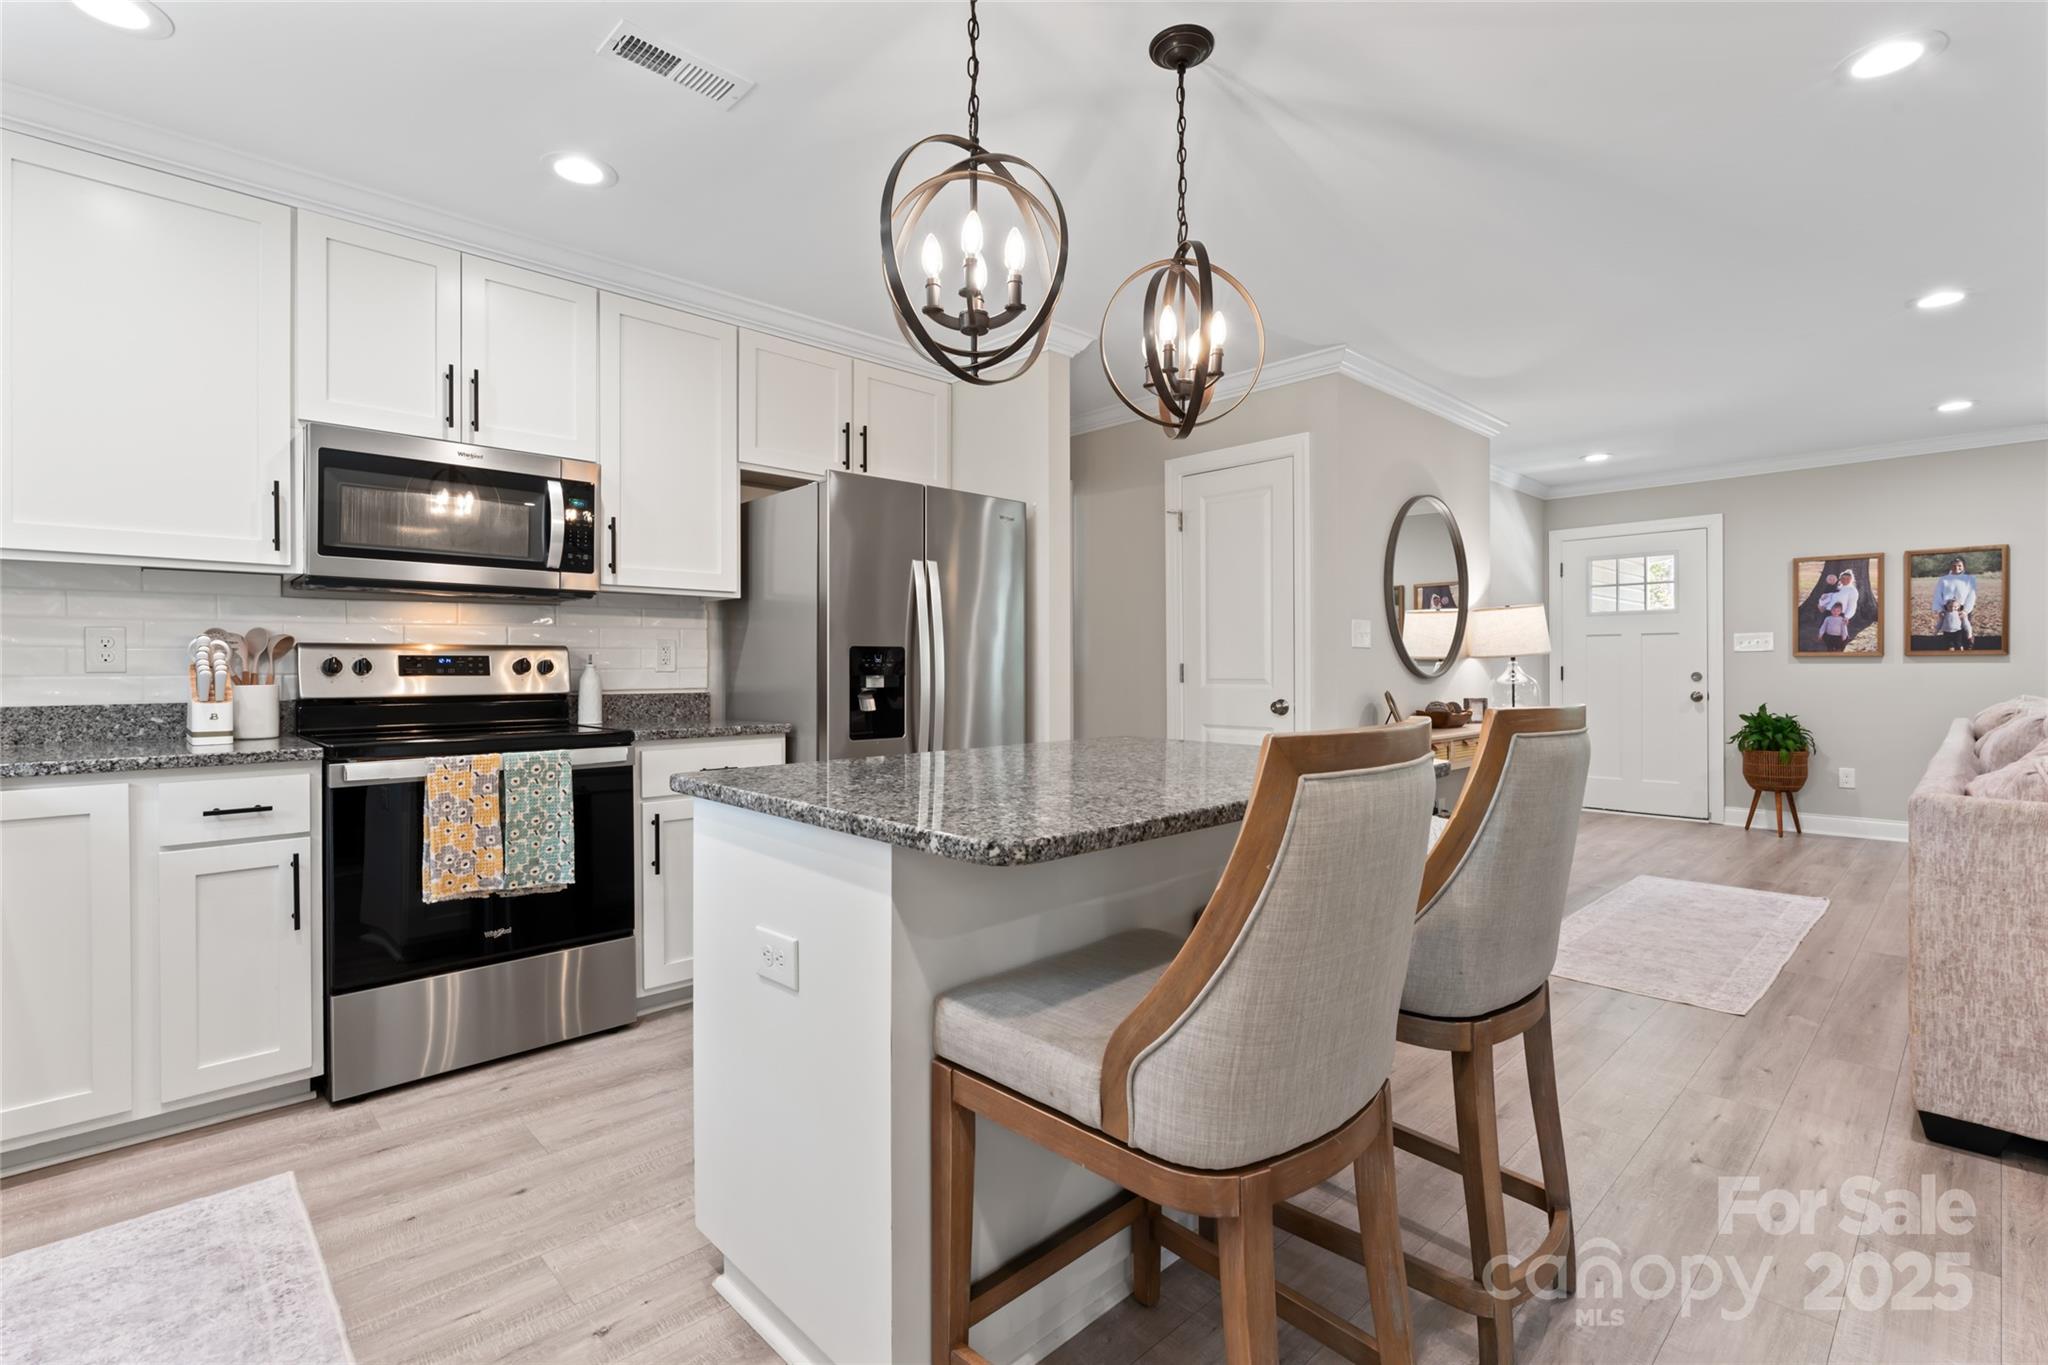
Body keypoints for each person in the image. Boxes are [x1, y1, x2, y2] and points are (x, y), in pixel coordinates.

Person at [1933, 555, 1977, 651]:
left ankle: (1967, 646)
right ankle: (1950, 646)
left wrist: (1966, 611)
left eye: (1959, 566)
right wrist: (1940, 609)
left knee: (1964, 629)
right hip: (1947, 608)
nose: (1956, 568)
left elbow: (1972, 595)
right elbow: (1938, 594)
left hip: (1962, 608)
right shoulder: (1943, 579)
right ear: (1950, 566)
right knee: (1949, 630)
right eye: (1954, 566)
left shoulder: (1970, 578)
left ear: (1964, 566)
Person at [1815, 567, 1861, 650]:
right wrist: (1821, 605)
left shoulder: (1852, 590)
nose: (1845, 580)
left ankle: (1839, 649)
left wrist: (1847, 616)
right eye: (1843, 578)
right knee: (1826, 630)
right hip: (1828, 612)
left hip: (1839, 614)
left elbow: (1852, 605)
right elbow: (1829, 597)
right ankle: (1829, 646)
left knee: (1839, 633)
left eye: (1848, 578)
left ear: (1851, 579)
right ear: (1840, 579)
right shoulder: (1838, 587)